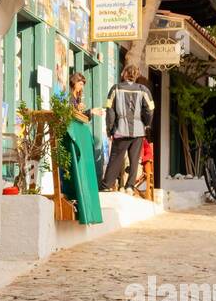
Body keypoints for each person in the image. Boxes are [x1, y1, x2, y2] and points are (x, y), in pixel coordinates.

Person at [102, 65, 155, 193]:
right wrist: (146, 123)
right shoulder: (144, 90)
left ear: (125, 74)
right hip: (138, 131)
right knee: (134, 159)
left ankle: (107, 185)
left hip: (120, 129)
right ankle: (130, 186)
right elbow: (150, 109)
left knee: (116, 157)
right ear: (136, 75)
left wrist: (110, 129)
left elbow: (110, 110)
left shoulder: (115, 88)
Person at [61, 72, 104, 223]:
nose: (81, 87)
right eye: (80, 84)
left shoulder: (77, 98)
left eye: (83, 85)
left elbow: (78, 116)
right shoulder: (68, 97)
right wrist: (87, 111)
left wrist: (88, 112)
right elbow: (68, 115)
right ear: (74, 82)